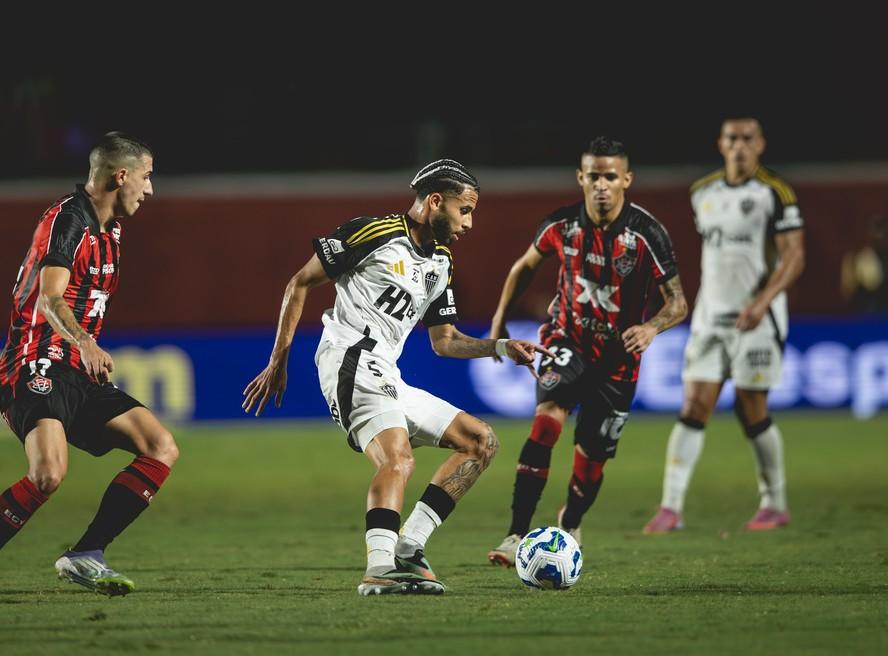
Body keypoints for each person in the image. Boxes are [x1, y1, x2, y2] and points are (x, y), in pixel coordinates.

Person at [243, 159, 547, 595]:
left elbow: (444, 340)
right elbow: (300, 282)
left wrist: (499, 347)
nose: (470, 222)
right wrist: (279, 359)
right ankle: (379, 568)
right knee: (398, 459)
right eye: (465, 210)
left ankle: (410, 548)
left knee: (480, 441)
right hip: (349, 356)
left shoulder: (441, 262)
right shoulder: (373, 233)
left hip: (387, 371)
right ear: (436, 201)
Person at [0, 133, 179, 605]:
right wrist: (85, 340)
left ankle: (88, 552)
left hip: (78, 369)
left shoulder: (110, 230)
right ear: (121, 175)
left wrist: (83, 349)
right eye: (147, 177)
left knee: (160, 446)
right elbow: (50, 298)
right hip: (36, 363)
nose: (150, 190)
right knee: (48, 474)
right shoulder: (67, 220)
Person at [486, 137, 687, 566]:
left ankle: (571, 519)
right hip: (566, 341)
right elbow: (523, 266)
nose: (601, 185)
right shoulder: (561, 226)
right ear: (581, 178)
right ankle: (515, 534)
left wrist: (651, 327)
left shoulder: (646, 234)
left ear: (626, 180)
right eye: (593, 176)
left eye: (610, 176)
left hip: (618, 360)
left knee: (592, 459)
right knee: (544, 428)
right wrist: (499, 321)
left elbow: (678, 303)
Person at [643, 117, 805, 534]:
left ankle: (775, 503)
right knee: (693, 407)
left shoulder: (776, 193)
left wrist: (762, 301)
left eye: (747, 138)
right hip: (709, 319)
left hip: (758, 321)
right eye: (732, 138)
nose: (739, 146)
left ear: (761, 144)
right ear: (721, 143)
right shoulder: (703, 192)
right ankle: (670, 508)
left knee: (752, 411)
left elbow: (794, 257)